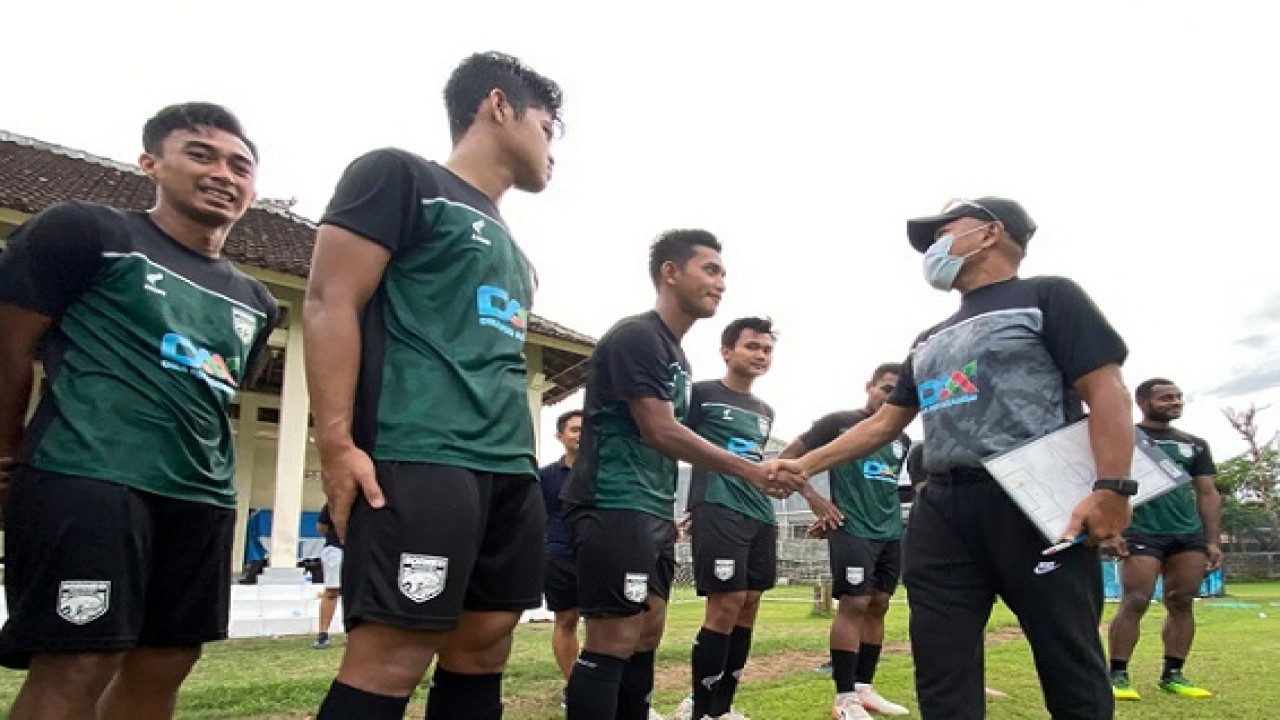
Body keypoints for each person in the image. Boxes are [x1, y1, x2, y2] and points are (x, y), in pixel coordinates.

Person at [781, 197, 1134, 720]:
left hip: (1034, 502)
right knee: (942, 664)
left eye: (944, 232)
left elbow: (1107, 392)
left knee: (1068, 657)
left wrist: (1112, 488)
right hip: (943, 507)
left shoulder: (1048, 296)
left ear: (990, 233)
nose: (934, 248)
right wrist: (803, 466)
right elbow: (883, 423)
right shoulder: (928, 339)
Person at [302, 51, 563, 719]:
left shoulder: (516, 249)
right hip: (420, 456)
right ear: (498, 106)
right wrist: (335, 442)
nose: (552, 147)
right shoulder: (401, 176)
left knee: (484, 647)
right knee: (392, 655)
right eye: (548, 126)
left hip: (507, 468)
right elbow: (331, 300)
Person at [0, 103, 277, 719]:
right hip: (89, 477)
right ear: (150, 162)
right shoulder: (86, 234)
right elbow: (10, 347)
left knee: (165, 663)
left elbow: (220, 390)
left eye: (240, 165)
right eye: (200, 155)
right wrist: (7, 454)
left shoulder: (256, 300)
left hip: (200, 499)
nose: (223, 174)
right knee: (78, 660)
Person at [560, 230, 805, 720]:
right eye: (710, 270)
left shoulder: (677, 356)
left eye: (724, 273)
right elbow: (658, 428)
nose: (721, 283)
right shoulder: (637, 335)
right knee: (613, 638)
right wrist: (749, 472)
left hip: (651, 509)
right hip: (613, 500)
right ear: (670, 272)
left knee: (647, 631)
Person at [675, 318, 843, 720]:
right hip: (717, 507)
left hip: (759, 512)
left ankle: (724, 707)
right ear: (727, 351)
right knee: (725, 603)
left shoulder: (764, 410)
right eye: (752, 346)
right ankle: (699, 709)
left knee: (749, 603)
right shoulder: (699, 396)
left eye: (766, 350)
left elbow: (757, 462)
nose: (760, 356)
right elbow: (670, 440)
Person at [779, 363, 912, 719]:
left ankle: (865, 688)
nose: (890, 397)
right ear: (869, 387)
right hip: (851, 528)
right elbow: (787, 459)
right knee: (855, 604)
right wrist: (815, 499)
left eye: (897, 392)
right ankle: (844, 698)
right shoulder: (837, 423)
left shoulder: (902, 439)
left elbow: (890, 488)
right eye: (885, 388)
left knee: (880, 603)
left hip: (889, 532)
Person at [1106, 378, 1221, 701]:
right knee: (1136, 600)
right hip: (1141, 531)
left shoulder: (1195, 444)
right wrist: (1112, 531)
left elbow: (1207, 492)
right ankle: (1117, 675)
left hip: (1187, 534)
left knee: (1181, 602)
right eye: (1166, 398)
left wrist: (1212, 540)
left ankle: (1173, 674)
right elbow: (1104, 484)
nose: (1175, 402)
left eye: (1178, 397)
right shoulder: (1125, 438)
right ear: (1143, 402)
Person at [540, 409, 584, 704]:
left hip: (599, 556)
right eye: (574, 429)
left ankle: (597, 683)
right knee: (566, 620)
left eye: (587, 429)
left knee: (604, 625)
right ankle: (575, 686)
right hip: (559, 556)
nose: (581, 434)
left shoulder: (606, 471)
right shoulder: (545, 477)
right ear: (560, 436)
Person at [314, 503, 344, 650]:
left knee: (357, 593)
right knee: (332, 591)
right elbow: (322, 527)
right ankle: (323, 633)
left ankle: (353, 633)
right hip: (336, 548)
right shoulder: (334, 501)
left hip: (360, 549)